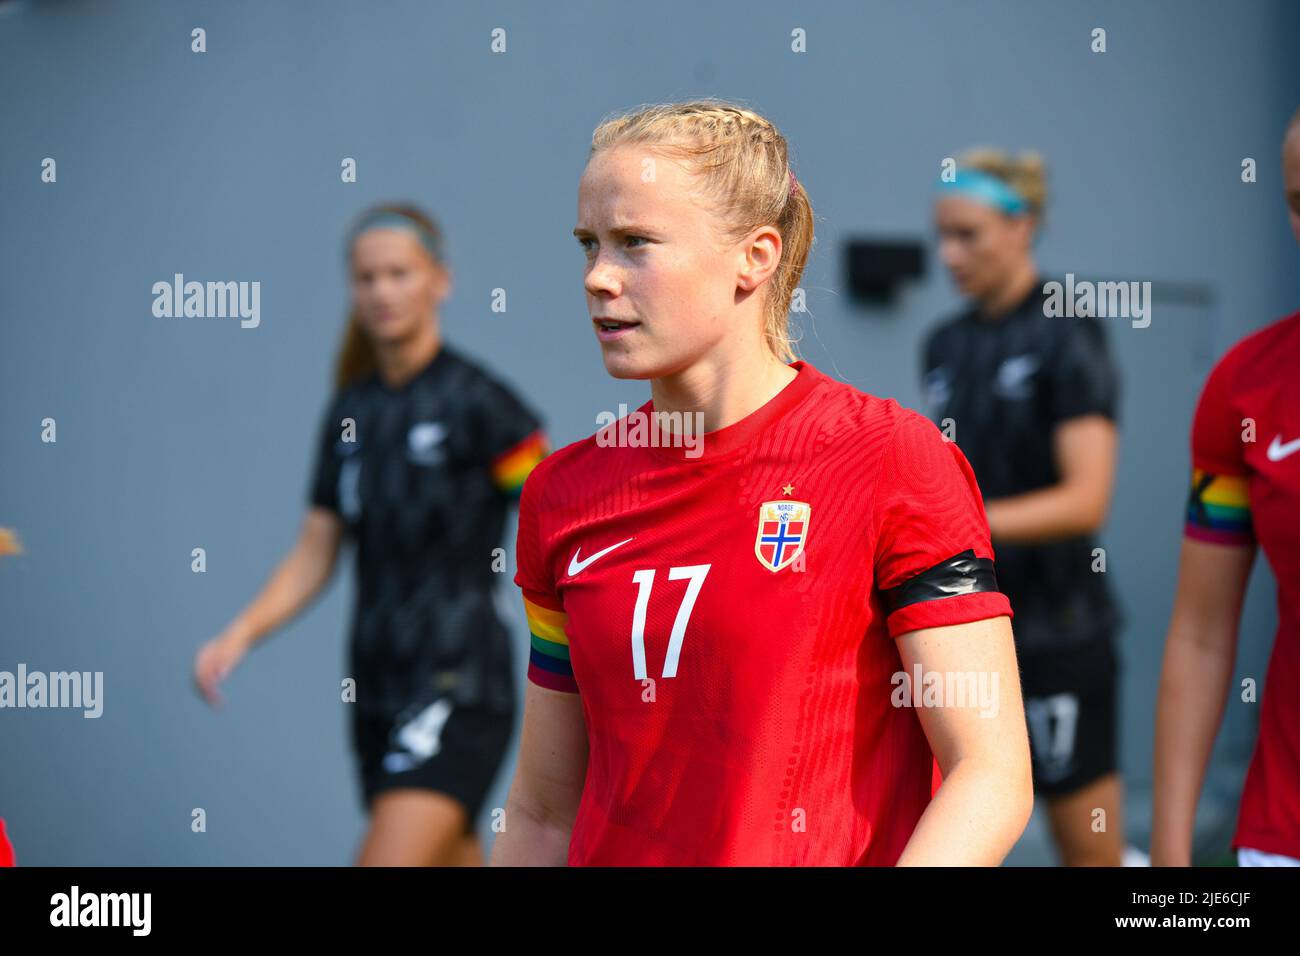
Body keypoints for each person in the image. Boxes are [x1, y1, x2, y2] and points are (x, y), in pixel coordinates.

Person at [491, 100, 1032, 866]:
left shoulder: (890, 458)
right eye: (589, 245)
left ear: (756, 256)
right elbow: (543, 811)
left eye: (635, 243)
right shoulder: (562, 493)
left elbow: (991, 772)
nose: (598, 278)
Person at [193, 204, 548, 866]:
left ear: (438, 281)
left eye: (399, 274)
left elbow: (555, 512)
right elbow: (314, 550)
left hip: (458, 684)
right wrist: (238, 634)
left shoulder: (480, 404)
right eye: (367, 278)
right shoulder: (349, 414)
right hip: (376, 690)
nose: (383, 291)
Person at [922, 149, 1127, 866]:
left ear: (1023, 225)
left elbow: (1085, 498)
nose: (949, 254)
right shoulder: (943, 344)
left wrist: (951, 533)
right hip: (963, 631)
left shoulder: (1069, 330)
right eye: (941, 235)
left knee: (1086, 846)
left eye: (968, 235)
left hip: (1060, 631)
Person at [1152, 106, 1300, 867]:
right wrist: (1173, 861)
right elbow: (1202, 634)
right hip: (1285, 832)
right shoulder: (1246, 389)